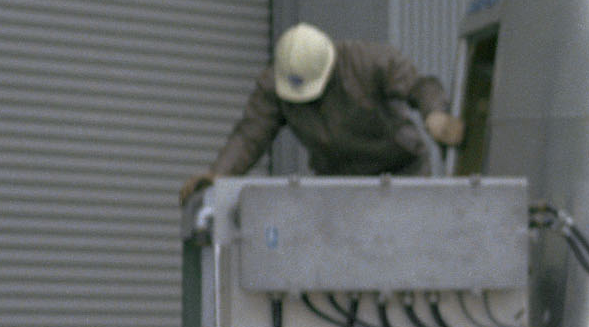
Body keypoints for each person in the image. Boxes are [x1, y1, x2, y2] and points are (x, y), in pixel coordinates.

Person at [185, 23, 455, 200]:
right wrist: (219, 175)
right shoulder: (275, 85)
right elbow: (249, 134)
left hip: (400, 173)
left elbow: (420, 85)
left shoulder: (366, 61)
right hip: (338, 182)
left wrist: (435, 114)